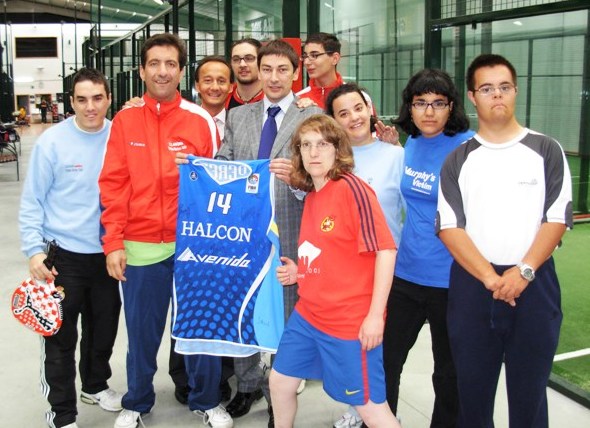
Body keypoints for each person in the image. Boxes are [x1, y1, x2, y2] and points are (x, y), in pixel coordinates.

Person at [98, 33, 231, 428]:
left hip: (193, 243)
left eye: (170, 64)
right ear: (142, 70)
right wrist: (113, 242)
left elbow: (219, 182)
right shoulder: (124, 120)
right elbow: (113, 184)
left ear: (180, 70)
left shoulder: (200, 121)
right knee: (141, 333)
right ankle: (137, 402)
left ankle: (207, 400)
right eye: (154, 63)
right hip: (140, 246)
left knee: (200, 327)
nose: (162, 71)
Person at [436, 54, 572, 428]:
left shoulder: (547, 150)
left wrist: (523, 272)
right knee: (472, 396)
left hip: (534, 284)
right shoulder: (458, 160)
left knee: (529, 398)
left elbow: (556, 218)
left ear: (515, 91)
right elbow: (450, 227)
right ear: (473, 97)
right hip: (473, 287)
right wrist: (491, 278)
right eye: (487, 88)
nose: (497, 95)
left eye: (505, 87)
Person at [217, 39, 323, 426]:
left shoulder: (311, 116)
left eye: (283, 70)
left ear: (297, 73)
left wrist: (298, 179)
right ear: (257, 72)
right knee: (243, 310)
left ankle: (280, 392)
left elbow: (326, 177)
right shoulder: (239, 117)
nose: (275, 77)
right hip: (243, 235)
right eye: (268, 69)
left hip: (292, 234)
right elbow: (223, 163)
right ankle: (246, 385)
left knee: (287, 317)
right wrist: (196, 168)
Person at [270, 114, 401, 428]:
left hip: (348, 322)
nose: (314, 153)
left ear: (337, 149)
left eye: (323, 144)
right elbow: (333, 255)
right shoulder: (315, 195)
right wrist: (300, 273)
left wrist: (374, 316)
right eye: (306, 145)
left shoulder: (352, 190)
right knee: (280, 382)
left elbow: (386, 250)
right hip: (308, 315)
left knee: (370, 408)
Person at [19, 67, 122, 428]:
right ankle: (62, 415)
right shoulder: (52, 141)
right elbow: (32, 200)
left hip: (107, 254)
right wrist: (34, 250)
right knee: (60, 340)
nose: (90, 107)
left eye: (97, 98)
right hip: (63, 258)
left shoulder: (120, 134)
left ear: (109, 98)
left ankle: (95, 385)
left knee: (104, 329)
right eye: (82, 99)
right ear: (71, 102)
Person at [382, 69, 474, 428]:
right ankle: (381, 420)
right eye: (421, 103)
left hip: (452, 279)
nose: (429, 112)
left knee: (447, 372)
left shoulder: (469, 146)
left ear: (451, 107)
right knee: (386, 361)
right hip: (405, 275)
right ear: (411, 107)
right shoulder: (412, 143)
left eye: (438, 103)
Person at [325, 83, 405, 428]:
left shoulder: (396, 155)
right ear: (334, 121)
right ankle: (358, 406)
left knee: (382, 351)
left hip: (385, 273)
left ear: (369, 109)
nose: (353, 117)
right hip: (343, 274)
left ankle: (377, 413)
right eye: (343, 113)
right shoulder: (329, 161)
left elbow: (409, 214)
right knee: (350, 349)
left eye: (358, 108)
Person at [195, 55, 233, 140]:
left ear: (231, 87)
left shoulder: (240, 124)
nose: (215, 87)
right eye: (208, 81)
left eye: (221, 81)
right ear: (197, 86)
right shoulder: (186, 121)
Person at [226, 38, 264, 110]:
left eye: (249, 58)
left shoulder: (273, 99)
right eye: (236, 59)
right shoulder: (223, 97)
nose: (242, 64)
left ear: (261, 61)